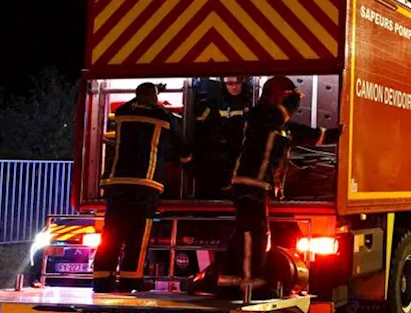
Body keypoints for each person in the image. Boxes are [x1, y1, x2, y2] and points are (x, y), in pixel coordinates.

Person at [189, 75, 326, 296]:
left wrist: (333, 134)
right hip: (249, 185)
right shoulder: (262, 116)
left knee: (246, 231)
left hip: (256, 187)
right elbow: (276, 119)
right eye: (288, 99)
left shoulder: (276, 123)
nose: (292, 105)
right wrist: (289, 103)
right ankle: (250, 282)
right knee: (255, 233)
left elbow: (302, 133)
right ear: (276, 96)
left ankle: (229, 280)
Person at [93, 82, 191, 293]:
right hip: (145, 183)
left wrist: (152, 93)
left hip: (116, 182)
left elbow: (135, 105)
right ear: (154, 98)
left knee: (111, 232)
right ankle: (130, 280)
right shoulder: (166, 117)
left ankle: (102, 279)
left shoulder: (122, 112)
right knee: (137, 234)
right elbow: (184, 153)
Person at [194, 76, 253, 198]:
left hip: (242, 149)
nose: (234, 87)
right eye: (230, 84)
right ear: (224, 84)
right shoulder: (216, 100)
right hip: (220, 150)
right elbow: (202, 124)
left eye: (237, 83)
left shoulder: (250, 101)